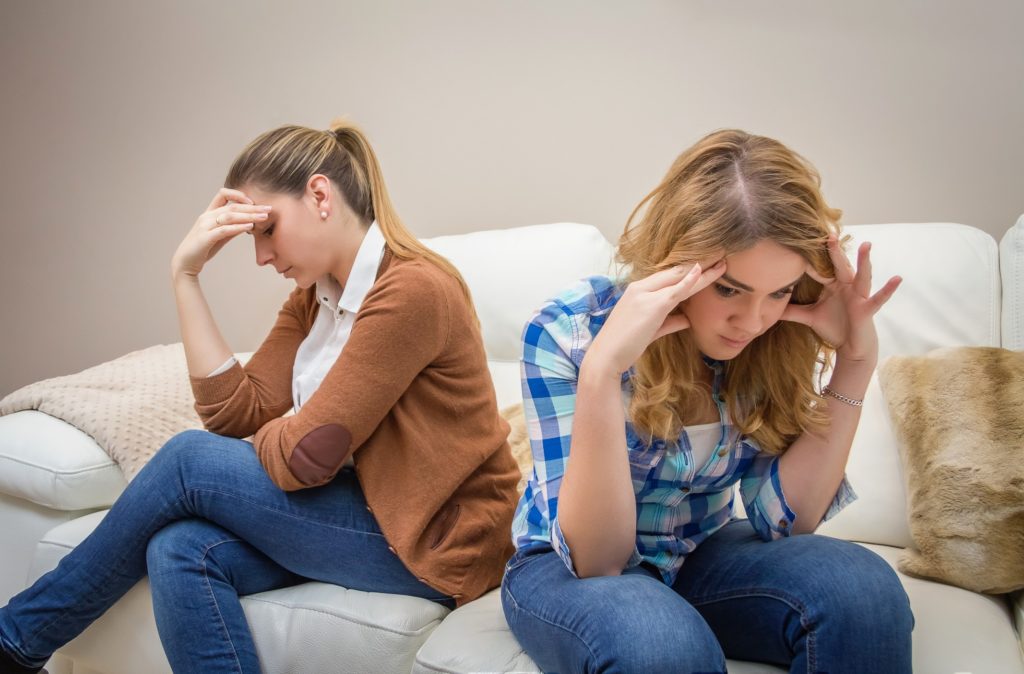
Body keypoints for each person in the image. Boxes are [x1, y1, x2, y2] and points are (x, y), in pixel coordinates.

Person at [0, 120, 520, 674]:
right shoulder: (312, 300)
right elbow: (235, 414)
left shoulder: (413, 289)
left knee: (187, 459)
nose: (260, 256)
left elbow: (305, 456)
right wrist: (186, 276)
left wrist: (286, 432)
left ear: (320, 195)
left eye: (266, 229)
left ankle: (14, 642)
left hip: (439, 539)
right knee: (179, 548)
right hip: (363, 511)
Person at [502, 129, 914, 673]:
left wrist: (855, 363)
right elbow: (596, 561)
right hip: (565, 566)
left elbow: (782, 522)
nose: (753, 321)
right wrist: (603, 372)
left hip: (699, 551)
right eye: (728, 289)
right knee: (662, 645)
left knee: (862, 590)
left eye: (780, 292)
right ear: (677, 262)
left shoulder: (773, 337)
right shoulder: (569, 331)